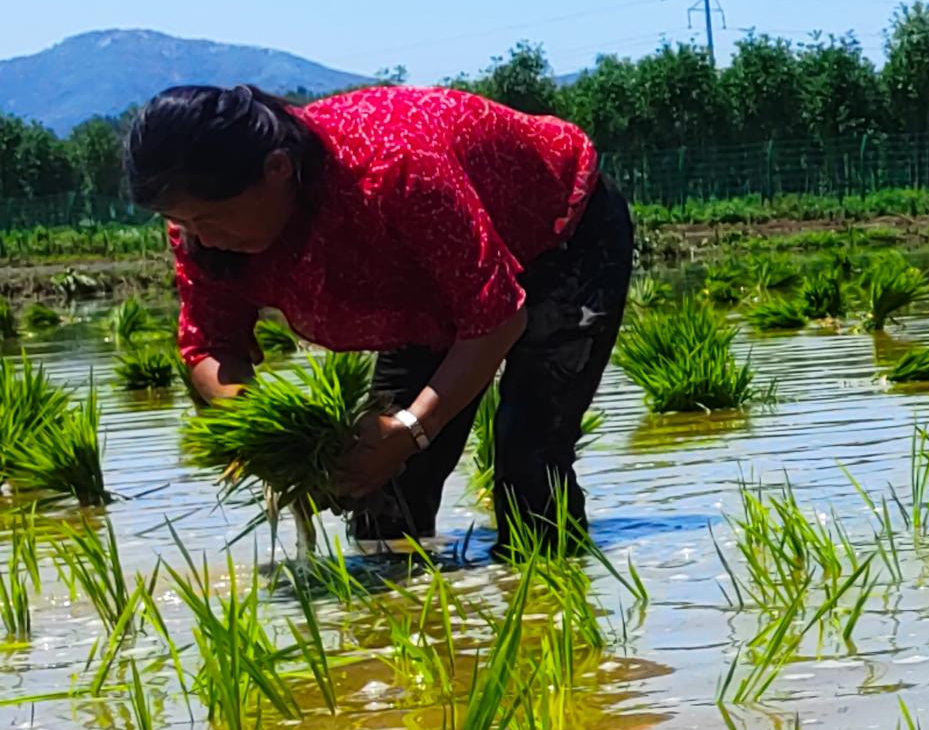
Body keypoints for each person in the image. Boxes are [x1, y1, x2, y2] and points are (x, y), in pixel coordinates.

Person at [131, 80, 637, 547]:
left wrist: (413, 428)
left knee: (528, 459)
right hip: (423, 290)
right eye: (183, 222)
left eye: (210, 218)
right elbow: (210, 345)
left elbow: (496, 319)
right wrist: (270, 440)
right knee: (382, 494)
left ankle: (550, 613)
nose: (201, 236)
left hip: (559, 232)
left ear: (277, 169)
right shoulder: (201, 234)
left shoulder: (393, 168)